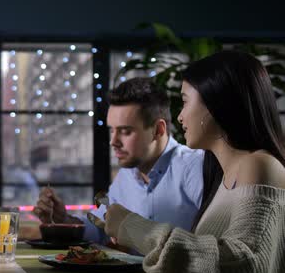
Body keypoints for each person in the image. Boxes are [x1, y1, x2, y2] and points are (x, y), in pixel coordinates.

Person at [104, 50, 285, 273]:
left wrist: (134, 228)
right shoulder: (224, 176)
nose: (179, 116)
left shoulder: (258, 165)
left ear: (215, 104)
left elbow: (244, 268)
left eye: (186, 102)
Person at [34, 77, 204, 244]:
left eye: (125, 131)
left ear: (158, 130)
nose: (113, 142)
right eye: (112, 130)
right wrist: (63, 218)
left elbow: (217, 248)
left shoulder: (194, 167)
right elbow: (100, 228)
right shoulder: (126, 175)